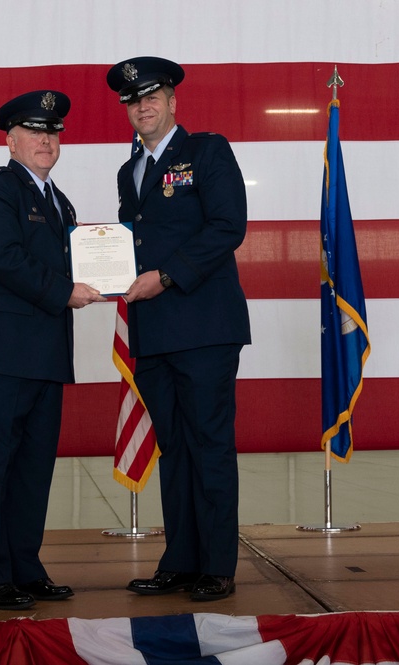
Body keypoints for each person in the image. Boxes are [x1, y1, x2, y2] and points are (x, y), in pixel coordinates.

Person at [107, 57, 251, 601]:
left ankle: (216, 565)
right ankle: (182, 560)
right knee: (174, 448)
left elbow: (228, 227)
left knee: (210, 443)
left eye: (151, 96)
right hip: (154, 329)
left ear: (172, 102)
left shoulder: (207, 150)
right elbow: (129, 245)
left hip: (205, 325)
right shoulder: (129, 171)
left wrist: (166, 277)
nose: (141, 106)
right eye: (132, 100)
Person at [0, 90, 106, 610]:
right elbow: (0, 255)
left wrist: (110, 275)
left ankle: (24, 567)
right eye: (35, 132)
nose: (46, 139)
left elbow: (76, 265)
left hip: (43, 354)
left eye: (54, 132)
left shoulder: (59, 201)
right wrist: (65, 291)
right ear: (11, 140)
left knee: (33, 469)